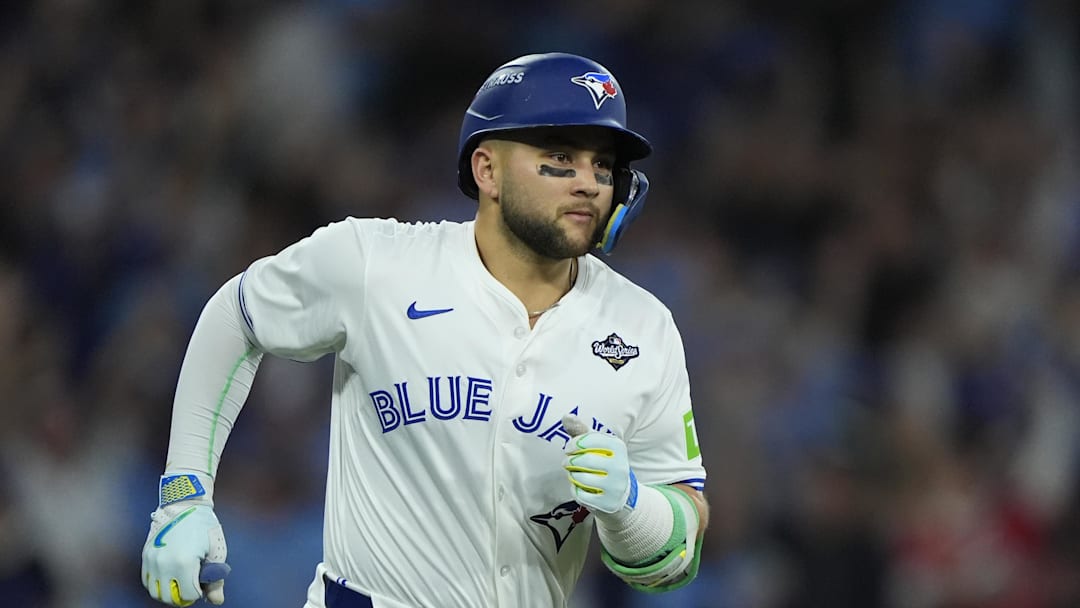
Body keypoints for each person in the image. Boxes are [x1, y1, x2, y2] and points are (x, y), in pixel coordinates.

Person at [140, 52, 709, 608]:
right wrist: (184, 497)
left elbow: (677, 551)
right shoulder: (375, 264)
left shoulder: (643, 327)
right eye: (560, 158)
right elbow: (236, 315)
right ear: (487, 169)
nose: (589, 182)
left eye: (603, 166)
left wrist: (632, 509)